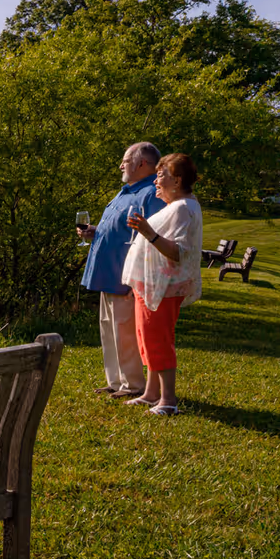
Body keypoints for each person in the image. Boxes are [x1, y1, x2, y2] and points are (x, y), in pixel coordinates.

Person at [80, 142, 166, 398]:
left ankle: (133, 385)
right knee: (109, 329)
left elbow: (154, 236)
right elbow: (121, 229)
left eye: (126, 160)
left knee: (125, 332)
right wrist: (95, 231)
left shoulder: (151, 194)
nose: (121, 165)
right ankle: (115, 381)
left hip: (126, 276)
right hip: (107, 273)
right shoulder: (126, 192)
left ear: (142, 164)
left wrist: (139, 277)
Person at [121, 153, 204, 416]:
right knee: (148, 339)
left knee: (158, 341)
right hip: (154, 285)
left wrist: (149, 232)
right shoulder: (179, 205)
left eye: (161, 175)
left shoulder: (183, 208)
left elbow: (179, 251)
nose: (156, 180)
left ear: (177, 180)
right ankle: (150, 393)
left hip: (164, 288)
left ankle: (168, 401)